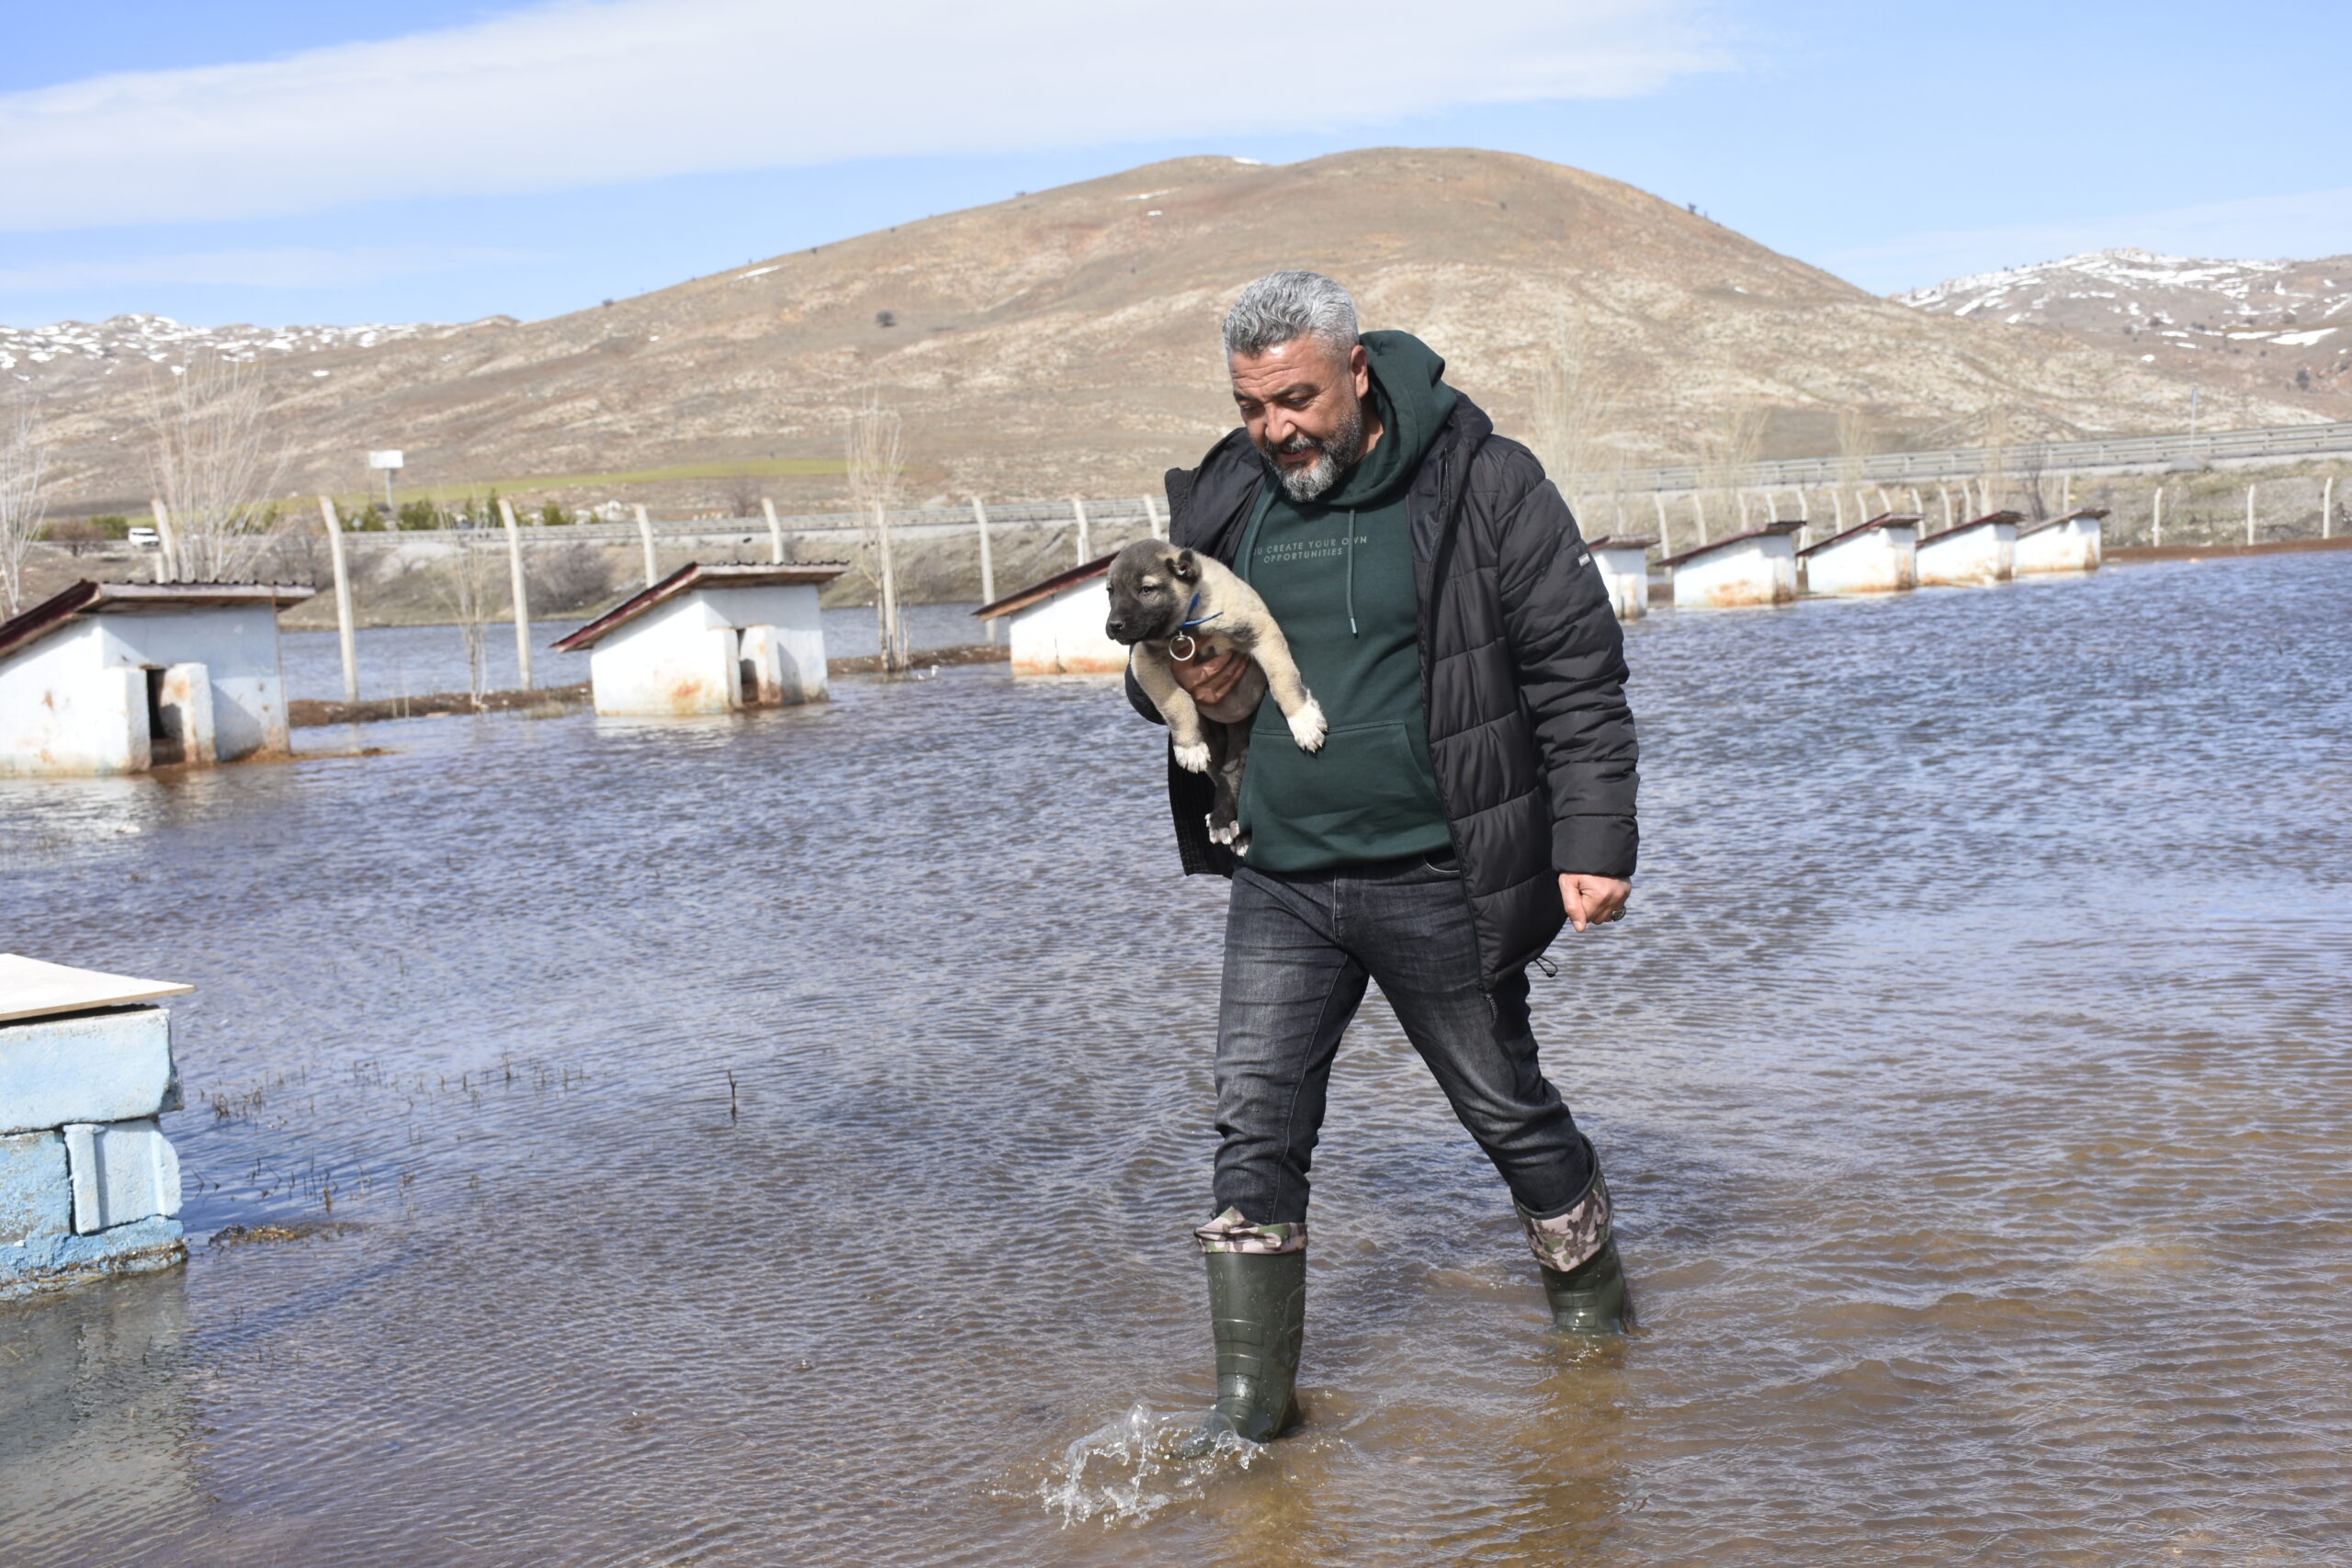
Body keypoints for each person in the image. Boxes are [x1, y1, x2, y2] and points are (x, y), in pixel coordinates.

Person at [1129, 271, 1639, 1447]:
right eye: (1254, 407)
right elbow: (1152, 656)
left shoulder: (1483, 480)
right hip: (1281, 875)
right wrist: (1185, 682)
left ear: (1357, 370)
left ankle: (1597, 1343)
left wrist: (1594, 839)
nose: (1276, 430)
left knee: (1504, 1110)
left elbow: (1576, 668)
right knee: (1252, 1127)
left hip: (1438, 872)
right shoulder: (1223, 496)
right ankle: (1250, 1423)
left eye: (1297, 399)